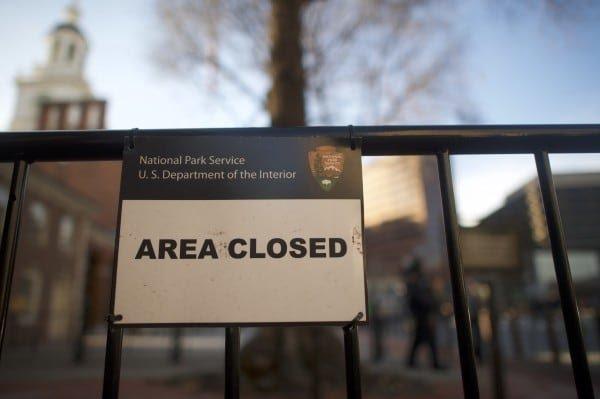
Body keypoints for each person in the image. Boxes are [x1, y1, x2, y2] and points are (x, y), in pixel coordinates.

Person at [404, 258, 443, 369]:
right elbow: (421, 300)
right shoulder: (414, 284)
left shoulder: (418, 283)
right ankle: (433, 363)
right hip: (421, 317)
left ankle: (412, 362)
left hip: (422, 316)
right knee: (428, 340)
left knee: (421, 341)